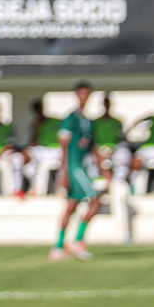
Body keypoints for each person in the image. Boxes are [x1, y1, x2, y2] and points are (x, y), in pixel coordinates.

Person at [50, 82, 106, 262]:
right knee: (96, 201)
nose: (84, 97)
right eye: (81, 93)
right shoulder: (70, 119)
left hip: (82, 165)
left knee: (72, 206)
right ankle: (78, 241)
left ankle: (58, 247)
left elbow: (92, 147)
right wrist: (64, 172)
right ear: (76, 95)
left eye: (87, 94)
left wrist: (103, 168)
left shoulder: (88, 120)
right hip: (74, 166)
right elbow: (64, 147)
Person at [24, 98, 63, 195]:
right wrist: (36, 128)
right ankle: (35, 185)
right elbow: (33, 142)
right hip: (44, 150)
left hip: (58, 149)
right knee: (26, 156)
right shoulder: (36, 124)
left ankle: (62, 187)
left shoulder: (56, 121)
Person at [93, 96, 129, 186]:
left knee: (123, 156)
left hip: (115, 150)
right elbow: (92, 140)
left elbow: (122, 139)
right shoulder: (95, 122)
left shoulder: (117, 122)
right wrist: (98, 152)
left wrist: (114, 150)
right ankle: (95, 185)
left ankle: (118, 183)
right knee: (90, 160)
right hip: (99, 150)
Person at [127, 112, 154, 193]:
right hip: (147, 147)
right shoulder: (152, 118)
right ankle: (133, 184)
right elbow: (135, 130)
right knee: (137, 159)